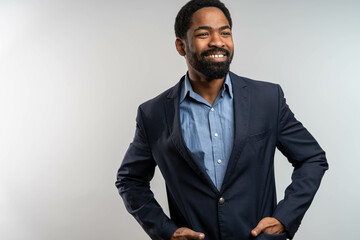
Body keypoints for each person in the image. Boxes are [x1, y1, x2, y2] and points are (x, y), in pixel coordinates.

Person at [115, 0, 328, 239]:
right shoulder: (153, 113)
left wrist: (284, 217)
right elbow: (130, 179)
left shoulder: (267, 99)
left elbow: (312, 158)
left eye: (225, 32)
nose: (217, 41)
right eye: (204, 33)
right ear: (180, 46)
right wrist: (167, 232)